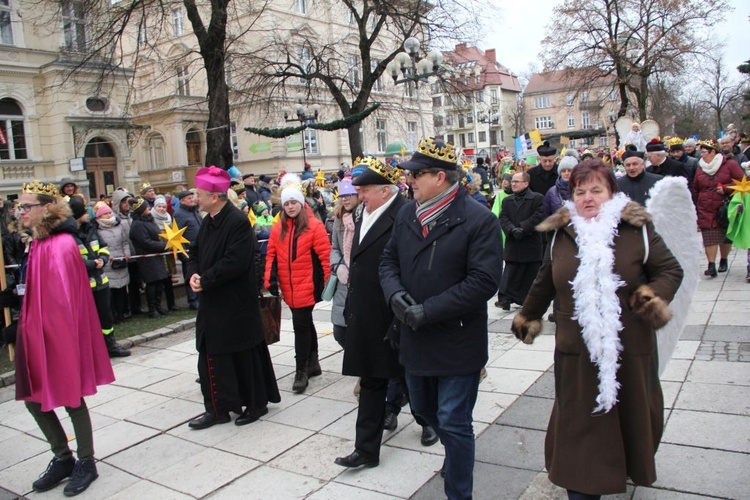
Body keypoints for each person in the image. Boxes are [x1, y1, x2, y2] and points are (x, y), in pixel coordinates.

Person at [511, 159, 683, 499]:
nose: (587, 198)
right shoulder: (563, 230)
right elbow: (546, 279)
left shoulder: (637, 228)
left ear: (611, 192)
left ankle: (623, 467)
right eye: (580, 191)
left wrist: (649, 298)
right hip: (577, 347)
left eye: (596, 190)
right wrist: (528, 316)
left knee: (630, 414)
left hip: (629, 343)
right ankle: (584, 485)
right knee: (580, 423)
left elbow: (670, 271)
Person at [380, 138, 503, 500]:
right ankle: (455, 449)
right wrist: (394, 294)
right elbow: (388, 261)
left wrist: (428, 310)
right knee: (423, 410)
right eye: (409, 174)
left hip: (457, 340)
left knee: (453, 419)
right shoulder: (406, 214)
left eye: (416, 174)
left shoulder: (479, 220)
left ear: (441, 177)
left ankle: (458, 491)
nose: (409, 181)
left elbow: (484, 281)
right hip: (414, 337)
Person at [1, 180, 115, 496]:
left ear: (47, 208)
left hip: (57, 336)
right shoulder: (36, 242)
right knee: (33, 398)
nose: (19, 211)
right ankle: (62, 457)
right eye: (18, 206)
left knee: (70, 397)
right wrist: (15, 300)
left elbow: (67, 300)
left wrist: (59, 341)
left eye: (26, 206)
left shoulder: (62, 244)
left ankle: (87, 462)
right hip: (33, 332)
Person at [185, 167, 280, 429]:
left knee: (242, 355)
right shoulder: (208, 221)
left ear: (214, 197)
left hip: (235, 303)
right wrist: (194, 274)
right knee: (210, 355)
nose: (196, 198)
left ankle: (255, 403)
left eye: (200, 194)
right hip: (212, 302)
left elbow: (235, 262)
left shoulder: (237, 222)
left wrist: (205, 279)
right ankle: (217, 408)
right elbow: (194, 254)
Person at [334, 156, 410, 469]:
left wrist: (401, 314)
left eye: (364, 189)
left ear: (385, 190)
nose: (359, 195)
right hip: (365, 314)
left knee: (413, 382)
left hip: (393, 314)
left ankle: (429, 423)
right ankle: (366, 450)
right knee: (372, 382)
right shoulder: (362, 214)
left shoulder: (404, 214)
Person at [264, 174, 331, 394]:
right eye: (287, 203)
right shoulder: (278, 227)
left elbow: (325, 256)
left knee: (300, 325)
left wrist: (327, 281)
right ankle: (313, 363)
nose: (291, 207)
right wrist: (269, 279)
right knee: (305, 323)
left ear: (301, 203)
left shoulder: (314, 226)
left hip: (307, 285)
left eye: (294, 202)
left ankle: (301, 369)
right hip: (288, 285)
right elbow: (271, 254)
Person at [69, 197, 131, 357]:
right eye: (84, 210)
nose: (88, 213)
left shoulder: (91, 228)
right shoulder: (69, 235)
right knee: (87, 320)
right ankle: (92, 350)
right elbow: (72, 259)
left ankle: (110, 345)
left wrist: (102, 260)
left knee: (106, 317)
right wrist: (91, 264)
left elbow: (103, 246)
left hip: (101, 282)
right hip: (84, 285)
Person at [693, 139, 745, 277]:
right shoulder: (700, 167)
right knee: (708, 236)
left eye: (704, 152)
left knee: (724, 235)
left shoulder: (730, 164)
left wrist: (726, 188)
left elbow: (743, 183)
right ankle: (711, 266)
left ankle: (723, 259)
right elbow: (696, 188)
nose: (701, 155)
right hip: (705, 207)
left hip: (724, 206)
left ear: (713, 152)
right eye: (701, 152)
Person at [495, 171, 545, 311]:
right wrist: (511, 229)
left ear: (526, 183)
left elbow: (538, 216)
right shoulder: (507, 200)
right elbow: (503, 217)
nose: (513, 184)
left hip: (530, 241)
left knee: (530, 273)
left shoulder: (537, 198)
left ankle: (528, 300)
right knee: (510, 272)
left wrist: (523, 228)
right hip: (513, 241)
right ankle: (505, 299)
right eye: (513, 181)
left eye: (517, 181)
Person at [328, 178, 359, 349]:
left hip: (360, 280)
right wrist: (337, 266)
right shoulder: (339, 219)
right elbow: (334, 248)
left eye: (349, 195)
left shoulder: (364, 216)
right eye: (342, 196)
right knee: (340, 333)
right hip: (343, 283)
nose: (345, 199)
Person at [128, 197, 169, 317]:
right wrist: (163, 246)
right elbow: (145, 242)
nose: (149, 208)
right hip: (147, 258)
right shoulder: (137, 225)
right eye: (146, 207)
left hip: (156, 256)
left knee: (160, 282)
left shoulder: (149, 221)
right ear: (141, 210)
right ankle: (153, 309)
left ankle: (158, 306)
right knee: (152, 283)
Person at [95, 203, 131, 325]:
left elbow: (125, 242)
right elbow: (99, 246)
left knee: (121, 290)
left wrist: (126, 253)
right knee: (110, 292)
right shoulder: (97, 229)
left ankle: (121, 314)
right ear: (100, 216)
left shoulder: (118, 225)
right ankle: (112, 316)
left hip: (120, 261)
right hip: (108, 264)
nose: (109, 214)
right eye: (106, 213)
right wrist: (107, 258)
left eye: (110, 212)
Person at [173, 190, 202, 310]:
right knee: (190, 275)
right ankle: (193, 300)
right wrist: (183, 252)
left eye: (192, 197)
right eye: (189, 198)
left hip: (199, 249)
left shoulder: (195, 211)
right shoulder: (179, 214)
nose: (192, 200)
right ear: (182, 201)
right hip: (188, 251)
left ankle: (200, 298)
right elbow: (177, 234)